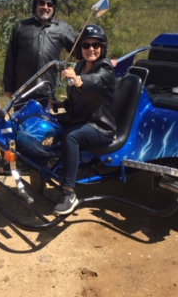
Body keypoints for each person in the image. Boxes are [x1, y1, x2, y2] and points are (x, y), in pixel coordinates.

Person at [52, 25, 116, 215]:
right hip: (81, 119)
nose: (91, 49)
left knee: (72, 137)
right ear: (80, 48)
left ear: (102, 47)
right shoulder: (79, 66)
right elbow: (77, 100)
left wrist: (78, 80)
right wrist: (58, 104)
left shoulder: (105, 67)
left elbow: (96, 80)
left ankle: (69, 192)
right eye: (86, 45)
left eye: (96, 44)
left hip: (100, 127)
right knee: (48, 122)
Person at [3, 0, 77, 109]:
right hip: (22, 91)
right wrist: (8, 86)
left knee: (43, 126)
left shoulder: (63, 28)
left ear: (54, 7)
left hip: (46, 92)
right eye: (41, 3)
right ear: (35, 4)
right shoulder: (21, 27)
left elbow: (80, 49)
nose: (46, 7)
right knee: (21, 125)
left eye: (50, 4)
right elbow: (11, 58)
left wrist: (102, 59)